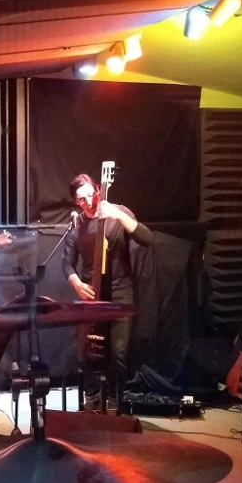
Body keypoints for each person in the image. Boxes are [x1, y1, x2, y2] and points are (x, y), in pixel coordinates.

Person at [62, 172, 153, 410]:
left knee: (118, 352)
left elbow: (146, 238)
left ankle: (114, 403)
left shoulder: (118, 212)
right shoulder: (78, 224)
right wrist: (76, 283)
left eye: (90, 195)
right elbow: (67, 262)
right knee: (86, 352)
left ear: (98, 190)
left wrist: (118, 215)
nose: (88, 202)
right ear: (76, 202)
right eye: (81, 200)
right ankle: (91, 399)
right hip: (91, 293)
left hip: (120, 291)